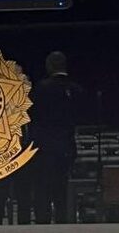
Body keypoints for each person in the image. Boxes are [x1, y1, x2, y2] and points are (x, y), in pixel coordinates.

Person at [29, 51, 85, 223]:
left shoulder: (41, 88)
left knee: (43, 192)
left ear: (49, 66)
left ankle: (43, 225)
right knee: (62, 192)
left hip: (44, 148)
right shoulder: (76, 90)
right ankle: (63, 224)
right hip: (67, 147)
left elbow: (33, 116)